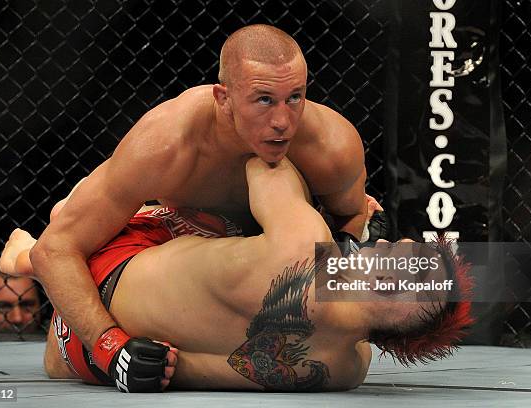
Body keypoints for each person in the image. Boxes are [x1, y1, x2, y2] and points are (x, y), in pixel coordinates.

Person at [28, 24, 378, 391]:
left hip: (261, 269)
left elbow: (356, 217)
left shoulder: (331, 146)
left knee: (343, 353)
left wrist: (336, 280)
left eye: (295, 97)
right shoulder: (164, 145)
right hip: (176, 245)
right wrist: (111, 348)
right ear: (223, 98)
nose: (282, 121)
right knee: (59, 351)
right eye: (263, 100)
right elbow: (54, 249)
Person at [1, 157, 473, 391]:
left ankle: (27, 256)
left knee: (192, 195)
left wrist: (341, 197)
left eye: (405, 254)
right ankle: (37, 261)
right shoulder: (347, 369)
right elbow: (194, 366)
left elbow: (264, 157)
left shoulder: (297, 245)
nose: (394, 242)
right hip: (82, 356)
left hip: (104, 270)